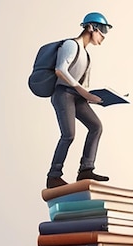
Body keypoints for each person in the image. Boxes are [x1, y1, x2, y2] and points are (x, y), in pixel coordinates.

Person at [46, 12, 113, 189]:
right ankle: (53, 176)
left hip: (77, 96)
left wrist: (96, 97)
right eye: (102, 31)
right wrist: (82, 91)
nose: (103, 37)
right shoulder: (71, 45)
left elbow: (84, 85)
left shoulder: (87, 55)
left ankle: (86, 169)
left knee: (96, 126)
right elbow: (60, 70)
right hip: (63, 94)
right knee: (68, 135)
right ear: (91, 28)